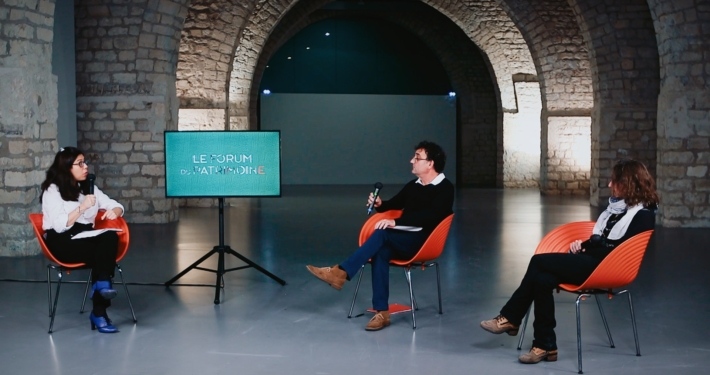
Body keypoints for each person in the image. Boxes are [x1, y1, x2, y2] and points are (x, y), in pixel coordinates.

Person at [480, 159, 659, 364]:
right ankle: (545, 346)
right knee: (542, 279)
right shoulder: (616, 210)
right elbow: (602, 241)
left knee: (538, 262)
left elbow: (620, 249)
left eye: (614, 181)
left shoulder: (643, 214)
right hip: (592, 260)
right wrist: (583, 244)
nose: (609, 185)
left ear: (628, 183)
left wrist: (594, 245)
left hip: (607, 268)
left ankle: (511, 318)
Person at [307, 141, 454, 331]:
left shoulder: (445, 187)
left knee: (383, 234)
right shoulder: (414, 185)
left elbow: (433, 216)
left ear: (430, 163)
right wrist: (380, 204)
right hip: (402, 238)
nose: (412, 161)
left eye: (417, 157)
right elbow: (394, 204)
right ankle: (382, 312)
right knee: (381, 251)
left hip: (424, 241)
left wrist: (396, 223)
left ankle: (340, 272)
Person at [40, 147, 125, 333]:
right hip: (62, 240)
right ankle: (100, 310)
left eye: (85, 162)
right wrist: (82, 206)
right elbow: (60, 225)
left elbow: (115, 204)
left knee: (110, 236)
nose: (85, 166)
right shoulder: (52, 190)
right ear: (67, 168)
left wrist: (115, 211)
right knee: (101, 255)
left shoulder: (88, 186)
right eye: (80, 163)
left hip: (85, 236)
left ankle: (102, 285)